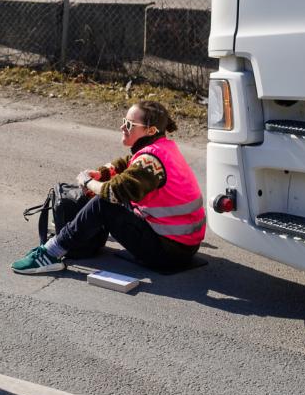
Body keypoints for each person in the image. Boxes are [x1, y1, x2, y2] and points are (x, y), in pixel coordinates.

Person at [11, 100, 205, 274]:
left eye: (129, 124)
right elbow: (129, 163)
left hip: (169, 254)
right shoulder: (163, 147)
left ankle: (50, 253)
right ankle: (77, 229)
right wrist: (103, 172)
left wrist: (88, 182)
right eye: (124, 121)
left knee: (103, 203)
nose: (122, 127)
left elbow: (113, 193)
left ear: (150, 131)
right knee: (112, 194)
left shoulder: (149, 161)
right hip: (182, 246)